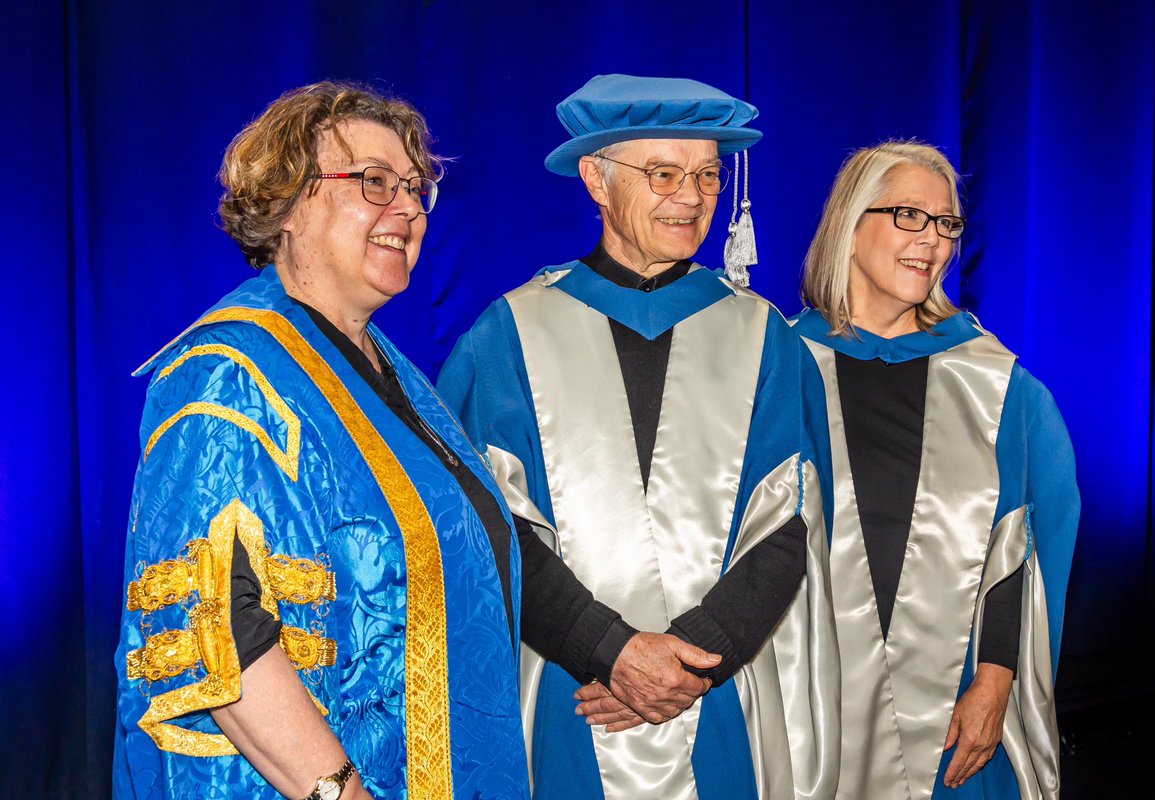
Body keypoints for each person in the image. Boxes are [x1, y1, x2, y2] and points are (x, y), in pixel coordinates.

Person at [114, 82, 529, 799]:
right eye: (374, 183)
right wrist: (341, 792)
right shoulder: (225, 375)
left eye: (414, 187)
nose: (408, 209)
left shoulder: (391, 376)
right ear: (289, 201)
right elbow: (217, 630)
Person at [437, 74, 839, 799]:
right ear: (595, 178)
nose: (691, 198)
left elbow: (792, 527)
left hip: (720, 694)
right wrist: (609, 651)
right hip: (568, 688)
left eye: (709, 175)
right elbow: (485, 531)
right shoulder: (508, 337)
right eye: (663, 173)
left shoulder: (764, 339)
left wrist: (685, 669)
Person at [791, 140, 1078, 799]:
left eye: (946, 223)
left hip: (951, 700)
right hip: (811, 701)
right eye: (909, 216)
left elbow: (1017, 541)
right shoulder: (781, 364)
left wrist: (997, 677)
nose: (932, 240)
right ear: (849, 224)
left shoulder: (991, 381)